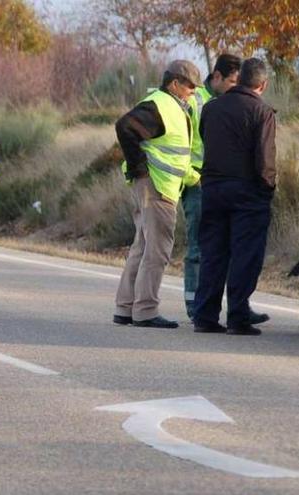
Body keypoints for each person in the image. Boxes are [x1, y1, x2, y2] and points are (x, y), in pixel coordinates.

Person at [113, 60, 203, 329]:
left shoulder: (168, 105)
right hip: (157, 187)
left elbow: (172, 153)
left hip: (152, 184)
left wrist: (193, 177)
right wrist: (140, 167)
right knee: (158, 250)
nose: (193, 91)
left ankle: (126, 308)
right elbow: (124, 126)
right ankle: (145, 310)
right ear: (174, 83)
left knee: (141, 246)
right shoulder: (162, 105)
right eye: (189, 86)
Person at [191, 58, 276, 336]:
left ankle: (205, 315)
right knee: (245, 253)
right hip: (247, 191)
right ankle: (238, 315)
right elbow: (265, 158)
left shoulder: (212, 108)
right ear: (262, 84)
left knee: (213, 253)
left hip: (213, 188)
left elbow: (204, 139)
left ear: (238, 80)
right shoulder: (261, 111)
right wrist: (267, 188)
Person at [181, 53, 242, 320]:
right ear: (216, 76)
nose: (234, 88)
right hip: (197, 181)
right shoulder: (195, 101)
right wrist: (192, 176)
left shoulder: (226, 102)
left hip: (220, 183)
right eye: (231, 82)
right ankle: (194, 304)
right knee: (196, 247)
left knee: (219, 248)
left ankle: (211, 303)